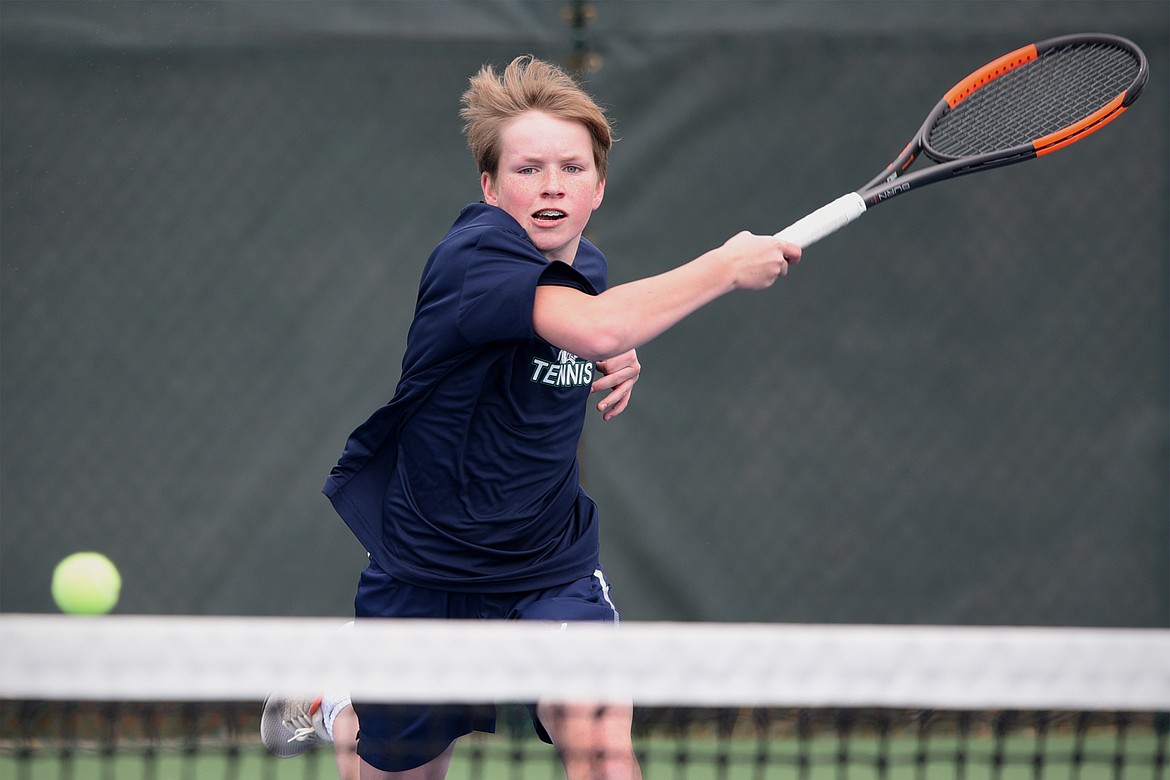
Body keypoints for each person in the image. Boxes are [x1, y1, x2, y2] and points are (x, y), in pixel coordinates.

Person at [318, 54, 800, 780]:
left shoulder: (590, 276)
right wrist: (723, 268)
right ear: (489, 186)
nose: (551, 186)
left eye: (572, 169)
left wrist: (612, 347)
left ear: (599, 187)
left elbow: (592, 326)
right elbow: (598, 325)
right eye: (528, 168)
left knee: (602, 745)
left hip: (549, 564)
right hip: (425, 571)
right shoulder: (472, 257)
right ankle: (341, 709)